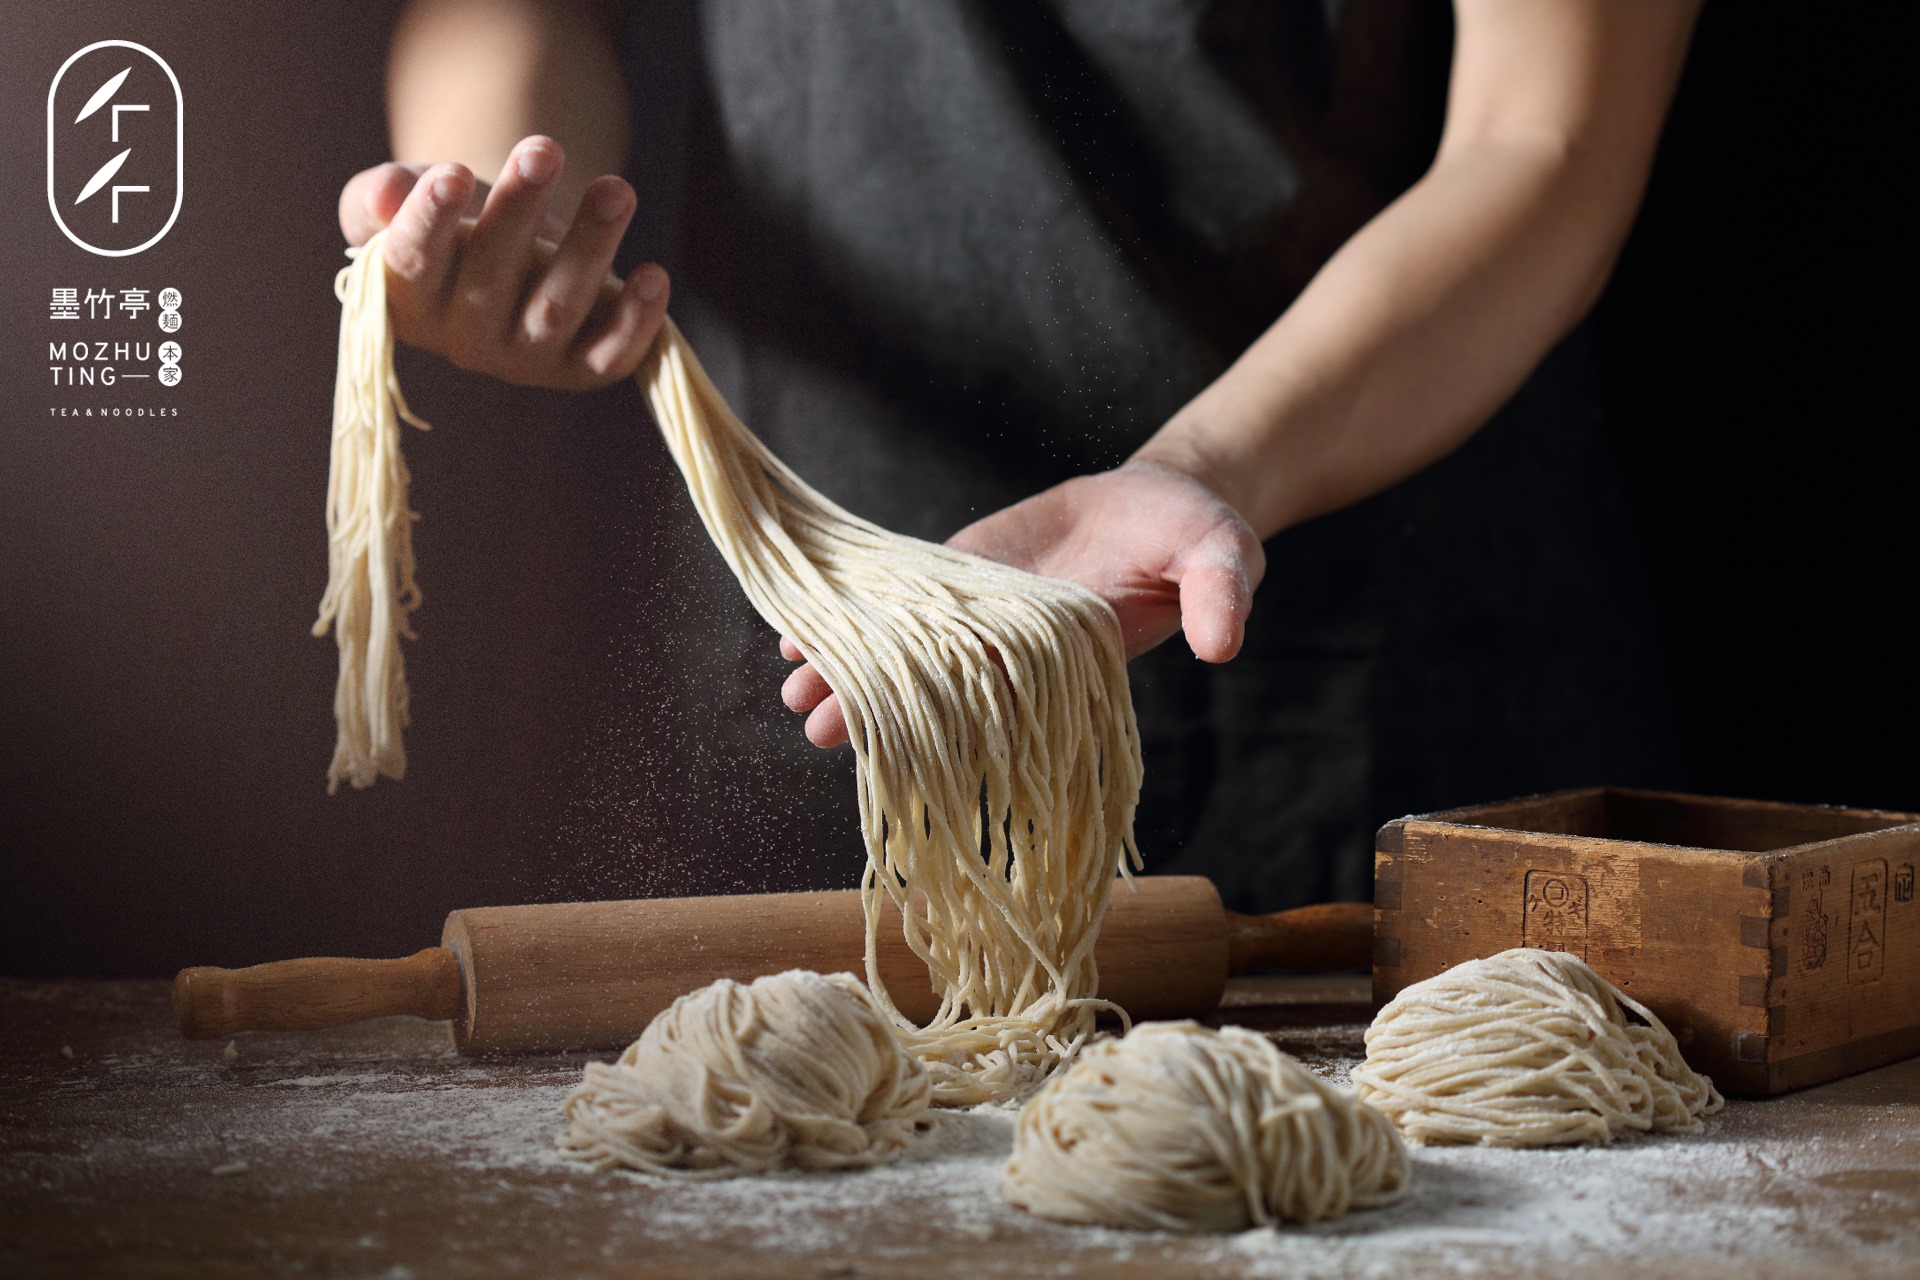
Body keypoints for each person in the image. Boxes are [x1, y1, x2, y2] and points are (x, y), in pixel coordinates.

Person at [338, 0, 1700, 911]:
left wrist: (1209, 469)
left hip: (1379, 661)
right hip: (829, 631)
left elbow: (1547, 139)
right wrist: (503, 210)